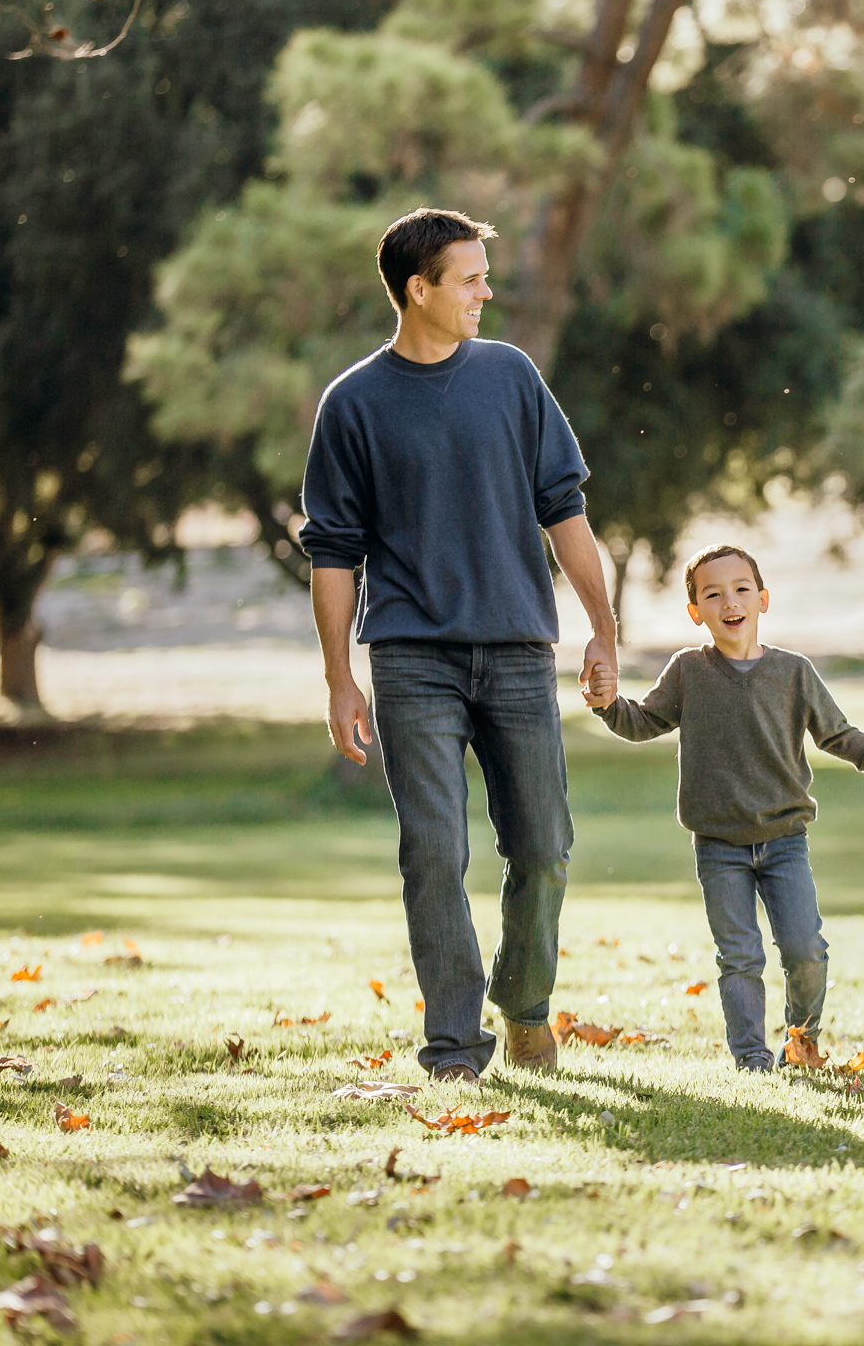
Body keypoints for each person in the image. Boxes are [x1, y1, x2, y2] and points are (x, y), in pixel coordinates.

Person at [300, 207, 619, 1084]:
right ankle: (453, 1046)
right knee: (434, 850)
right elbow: (333, 554)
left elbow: (566, 510)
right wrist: (339, 680)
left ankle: (522, 1006)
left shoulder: (512, 377)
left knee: (545, 845)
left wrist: (603, 627)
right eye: (470, 278)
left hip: (519, 649)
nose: (486, 291)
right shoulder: (353, 403)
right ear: (419, 290)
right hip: (412, 657)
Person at [589, 545, 864, 1072]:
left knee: (806, 951)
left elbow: (838, 736)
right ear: (695, 613)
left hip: (785, 842)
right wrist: (607, 705)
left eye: (741, 589)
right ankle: (751, 1057)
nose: (729, 600)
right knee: (740, 957)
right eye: (713, 593)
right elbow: (643, 723)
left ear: (763, 599)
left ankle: (801, 1040)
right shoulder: (688, 671)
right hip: (718, 847)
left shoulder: (793, 673)